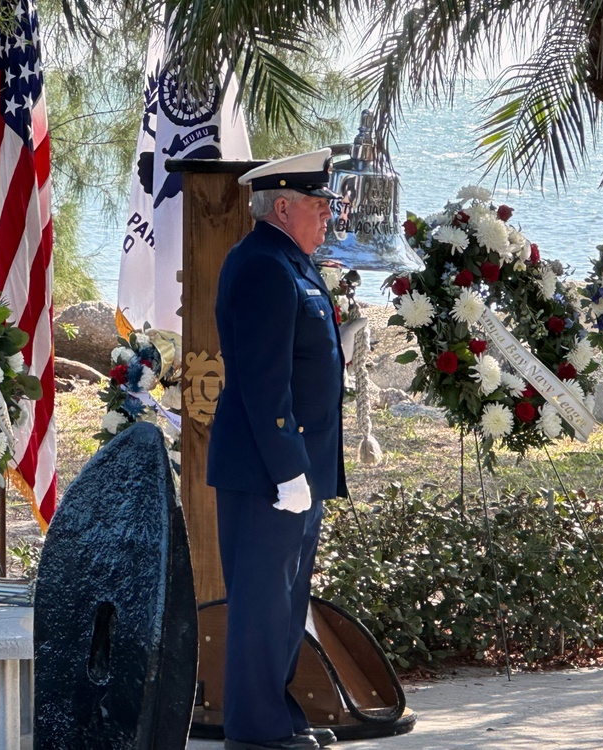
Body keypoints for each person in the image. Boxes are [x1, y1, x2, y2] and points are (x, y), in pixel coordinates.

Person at [207, 148, 348, 750]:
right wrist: (289, 470)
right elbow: (265, 379)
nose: (328, 218)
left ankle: (277, 714)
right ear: (283, 206)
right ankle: (256, 730)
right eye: (319, 207)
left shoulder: (289, 259)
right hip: (270, 468)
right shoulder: (265, 264)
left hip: (295, 467)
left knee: (286, 600)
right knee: (263, 602)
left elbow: (301, 353)